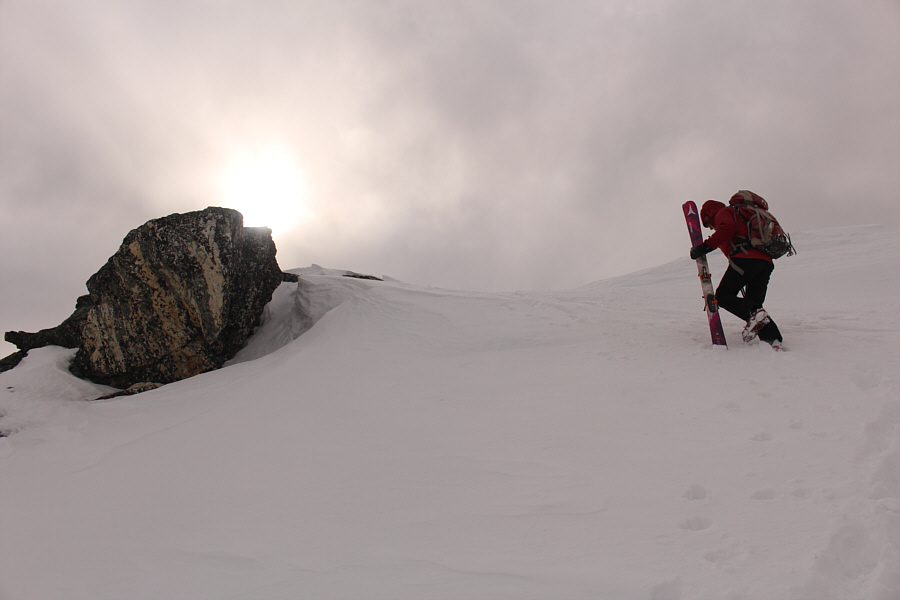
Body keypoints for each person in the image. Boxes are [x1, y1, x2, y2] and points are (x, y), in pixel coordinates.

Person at [689, 195, 784, 350]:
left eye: (709, 225)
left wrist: (703, 248)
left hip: (746, 259)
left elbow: (727, 229)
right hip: (765, 262)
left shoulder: (722, 213)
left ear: (708, 215)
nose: (712, 228)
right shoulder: (742, 215)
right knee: (754, 305)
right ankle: (773, 340)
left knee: (723, 296)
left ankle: (759, 320)